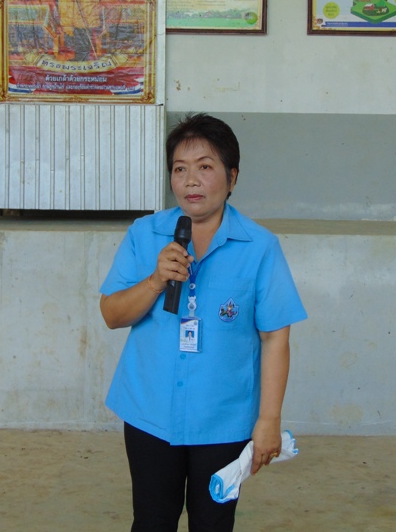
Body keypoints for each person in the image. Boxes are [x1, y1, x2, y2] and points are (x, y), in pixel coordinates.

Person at [99, 113, 308, 532]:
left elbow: (275, 339)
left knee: (213, 523)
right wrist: (155, 281)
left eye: (205, 167)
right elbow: (111, 314)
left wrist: (268, 420)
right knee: (152, 521)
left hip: (224, 420)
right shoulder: (145, 234)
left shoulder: (260, 247)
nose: (190, 181)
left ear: (232, 177)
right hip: (150, 412)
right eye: (180, 169)